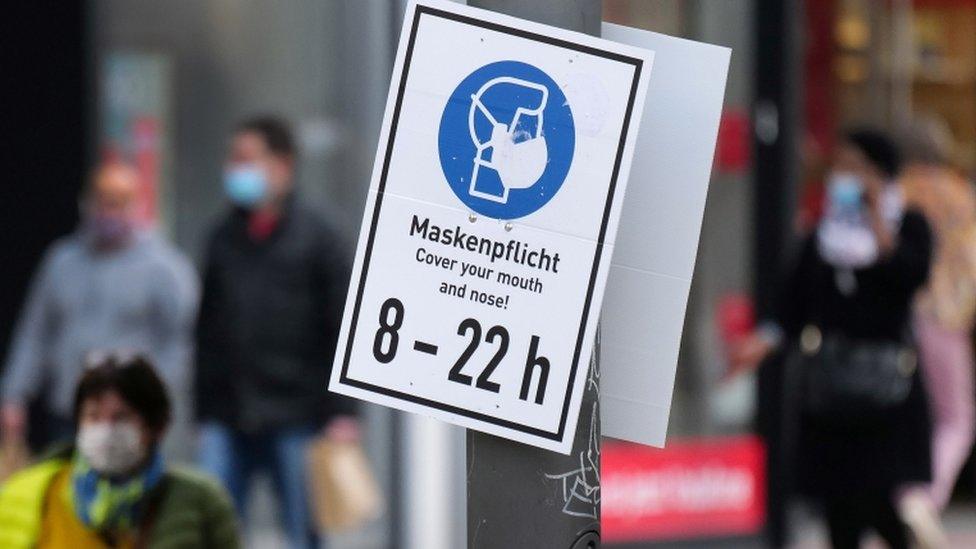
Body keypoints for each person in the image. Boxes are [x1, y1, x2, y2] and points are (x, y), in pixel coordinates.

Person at [731, 129, 933, 549]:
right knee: (839, 504)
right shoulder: (823, 236)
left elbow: (909, 275)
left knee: (875, 496)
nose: (842, 176)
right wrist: (762, 342)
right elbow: (791, 305)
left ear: (879, 174)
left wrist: (877, 217)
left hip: (884, 389)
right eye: (839, 167)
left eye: (853, 168)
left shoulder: (908, 224)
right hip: (830, 390)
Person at [195, 115, 358, 549]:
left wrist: (341, 412)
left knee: (303, 532)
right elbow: (206, 329)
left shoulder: (320, 235)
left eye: (246, 158)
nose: (235, 169)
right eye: (232, 159)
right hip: (228, 415)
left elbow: (342, 323)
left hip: (298, 416)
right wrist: (202, 411)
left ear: (283, 165)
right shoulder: (222, 237)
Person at [0, 162, 198, 449]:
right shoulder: (62, 261)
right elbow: (35, 333)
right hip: (70, 412)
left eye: (118, 203)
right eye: (103, 202)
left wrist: (152, 392)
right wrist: (14, 394)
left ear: (135, 206)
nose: (109, 212)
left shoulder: (164, 269)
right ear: (87, 203)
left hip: (129, 417)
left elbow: (182, 342)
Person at [0, 352, 239, 548]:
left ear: (156, 427)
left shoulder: (198, 499)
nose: (106, 431)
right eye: (93, 417)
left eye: (121, 418)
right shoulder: (35, 493)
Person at [898, 118, 976, 538]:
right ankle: (923, 496)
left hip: (897, 317)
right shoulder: (958, 195)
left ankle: (902, 495)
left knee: (907, 412)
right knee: (956, 418)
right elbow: (971, 262)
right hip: (944, 317)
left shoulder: (895, 192)